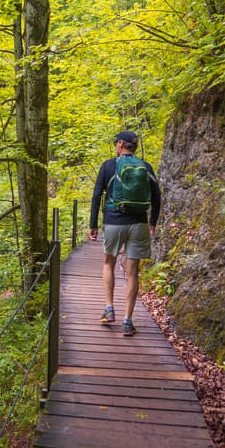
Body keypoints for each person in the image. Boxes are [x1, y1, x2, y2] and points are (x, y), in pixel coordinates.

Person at [88, 130, 161, 336]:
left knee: (108, 263)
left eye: (115, 143)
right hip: (138, 223)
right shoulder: (145, 167)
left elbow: (96, 196)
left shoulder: (108, 165)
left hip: (113, 222)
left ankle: (110, 309)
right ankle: (128, 321)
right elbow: (157, 196)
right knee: (133, 273)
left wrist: (93, 224)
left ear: (121, 144)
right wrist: (152, 221)